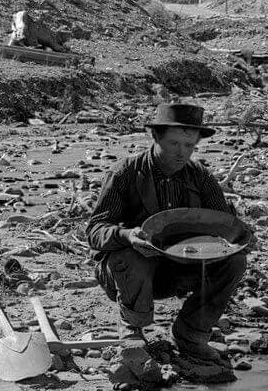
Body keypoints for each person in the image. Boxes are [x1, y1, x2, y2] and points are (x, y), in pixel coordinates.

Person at [87, 102, 249, 363]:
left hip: (182, 268)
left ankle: (192, 334)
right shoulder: (125, 173)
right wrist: (127, 235)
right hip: (127, 273)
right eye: (174, 144)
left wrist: (239, 240)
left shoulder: (201, 178)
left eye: (189, 146)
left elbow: (225, 226)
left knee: (235, 260)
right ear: (155, 137)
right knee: (132, 254)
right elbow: (95, 231)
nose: (181, 153)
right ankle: (132, 330)